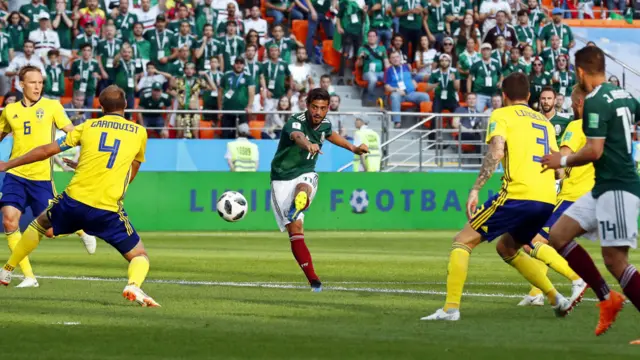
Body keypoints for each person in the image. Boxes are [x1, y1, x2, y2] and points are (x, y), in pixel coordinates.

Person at [421, 72, 574, 322]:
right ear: (529, 96)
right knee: (507, 247)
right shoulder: (545, 123)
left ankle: (450, 309)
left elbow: (496, 151)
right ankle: (557, 298)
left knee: (462, 240)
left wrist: (476, 187)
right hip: (547, 197)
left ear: (504, 96)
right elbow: (559, 169)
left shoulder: (502, 114)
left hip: (518, 194)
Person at [0, 85, 158, 308]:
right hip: (108, 209)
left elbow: (46, 151)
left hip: (74, 201)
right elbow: (131, 171)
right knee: (139, 255)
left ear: (100, 107)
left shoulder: (89, 126)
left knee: (41, 223)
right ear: (126, 106)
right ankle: (133, 284)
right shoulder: (139, 132)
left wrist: (9, 164)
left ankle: (7, 270)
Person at [541, 46, 640, 342]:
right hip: (602, 188)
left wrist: (562, 159)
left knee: (616, 261)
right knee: (557, 235)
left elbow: (594, 151)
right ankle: (606, 297)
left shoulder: (595, 100)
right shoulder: (624, 94)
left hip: (619, 187)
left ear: (581, 71)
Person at [0, 66, 97, 289]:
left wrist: (86, 153)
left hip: (41, 177)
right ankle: (28, 276)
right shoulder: (10, 110)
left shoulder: (52, 106)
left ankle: (81, 229)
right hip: (15, 174)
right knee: (9, 220)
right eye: (32, 82)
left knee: (52, 231)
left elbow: (72, 133)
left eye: (40, 82)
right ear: (20, 84)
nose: (37, 87)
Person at [269, 88, 369, 291]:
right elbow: (297, 136)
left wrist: (354, 149)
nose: (318, 112)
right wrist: (308, 145)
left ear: (328, 109)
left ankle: (300, 200)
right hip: (281, 179)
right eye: (315, 107)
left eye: (323, 108)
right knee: (295, 230)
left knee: (305, 185)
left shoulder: (325, 124)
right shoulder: (294, 122)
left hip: (306, 172)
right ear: (307, 106)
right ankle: (313, 279)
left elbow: (330, 135)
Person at [516, 85, 587, 306]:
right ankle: (537, 291)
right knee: (547, 242)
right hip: (591, 195)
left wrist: (552, 173)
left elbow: (562, 160)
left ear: (577, 103)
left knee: (531, 241)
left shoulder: (575, 126)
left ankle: (577, 279)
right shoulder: (602, 129)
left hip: (572, 194)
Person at [385, 51, 431, 128]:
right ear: (390, 60)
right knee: (394, 96)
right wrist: (396, 89)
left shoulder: (406, 67)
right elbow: (386, 87)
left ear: (400, 58)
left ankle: (425, 121)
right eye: (393, 58)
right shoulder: (388, 71)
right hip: (399, 93)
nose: (395, 59)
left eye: (397, 57)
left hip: (410, 93)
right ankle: (397, 122)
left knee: (425, 96)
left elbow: (411, 78)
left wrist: (414, 81)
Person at [219, 57, 255, 139]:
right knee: (226, 135)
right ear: (234, 64)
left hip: (242, 111)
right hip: (227, 110)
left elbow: (251, 92)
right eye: (237, 63)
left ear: (244, 65)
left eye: (241, 63)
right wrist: (220, 108)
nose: (239, 65)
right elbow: (220, 92)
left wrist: (249, 106)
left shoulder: (248, 77)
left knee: (243, 134)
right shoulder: (226, 75)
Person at [357, 30, 389, 105]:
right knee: (373, 79)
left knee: (389, 78)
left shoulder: (382, 48)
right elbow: (359, 65)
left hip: (380, 72)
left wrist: (390, 72)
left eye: (373, 36)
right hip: (368, 73)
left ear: (376, 38)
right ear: (367, 38)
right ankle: (370, 98)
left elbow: (386, 62)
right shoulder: (362, 48)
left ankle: (386, 98)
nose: (371, 38)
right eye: (370, 36)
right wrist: (360, 58)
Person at [467, 43, 501, 113]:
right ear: (481, 51)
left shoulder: (496, 63)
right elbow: (469, 79)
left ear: (491, 51)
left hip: (493, 94)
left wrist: (500, 81)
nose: (486, 52)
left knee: (495, 113)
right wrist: (469, 93)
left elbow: (501, 74)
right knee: (478, 113)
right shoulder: (476, 63)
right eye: (484, 50)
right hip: (480, 93)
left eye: (488, 50)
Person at [261, 44, 292, 112]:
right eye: (272, 50)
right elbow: (261, 77)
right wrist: (265, 90)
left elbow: (290, 76)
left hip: (281, 96)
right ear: (269, 52)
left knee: (281, 116)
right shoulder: (264, 64)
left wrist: (290, 89)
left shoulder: (284, 64)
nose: (274, 52)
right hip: (269, 96)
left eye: (276, 50)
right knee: (268, 116)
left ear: (279, 52)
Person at [71, 44, 101, 108]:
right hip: (78, 91)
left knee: (88, 111)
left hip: (90, 91)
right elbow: (70, 77)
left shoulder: (95, 63)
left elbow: (99, 77)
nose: (86, 52)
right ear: (81, 51)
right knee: (77, 110)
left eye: (88, 50)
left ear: (91, 52)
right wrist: (74, 77)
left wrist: (97, 76)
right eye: (84, 50)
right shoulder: (76, 62)